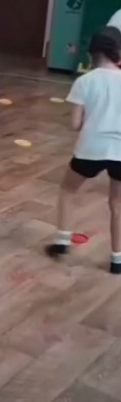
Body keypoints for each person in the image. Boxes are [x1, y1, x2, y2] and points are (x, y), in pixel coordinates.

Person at [45, 26, 121, 275]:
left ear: (92, 53)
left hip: (91, 148)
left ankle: (62, 241)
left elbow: (75, 124)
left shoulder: (84, 81)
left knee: (68, 190)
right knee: (117, 204)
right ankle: (117, 259)